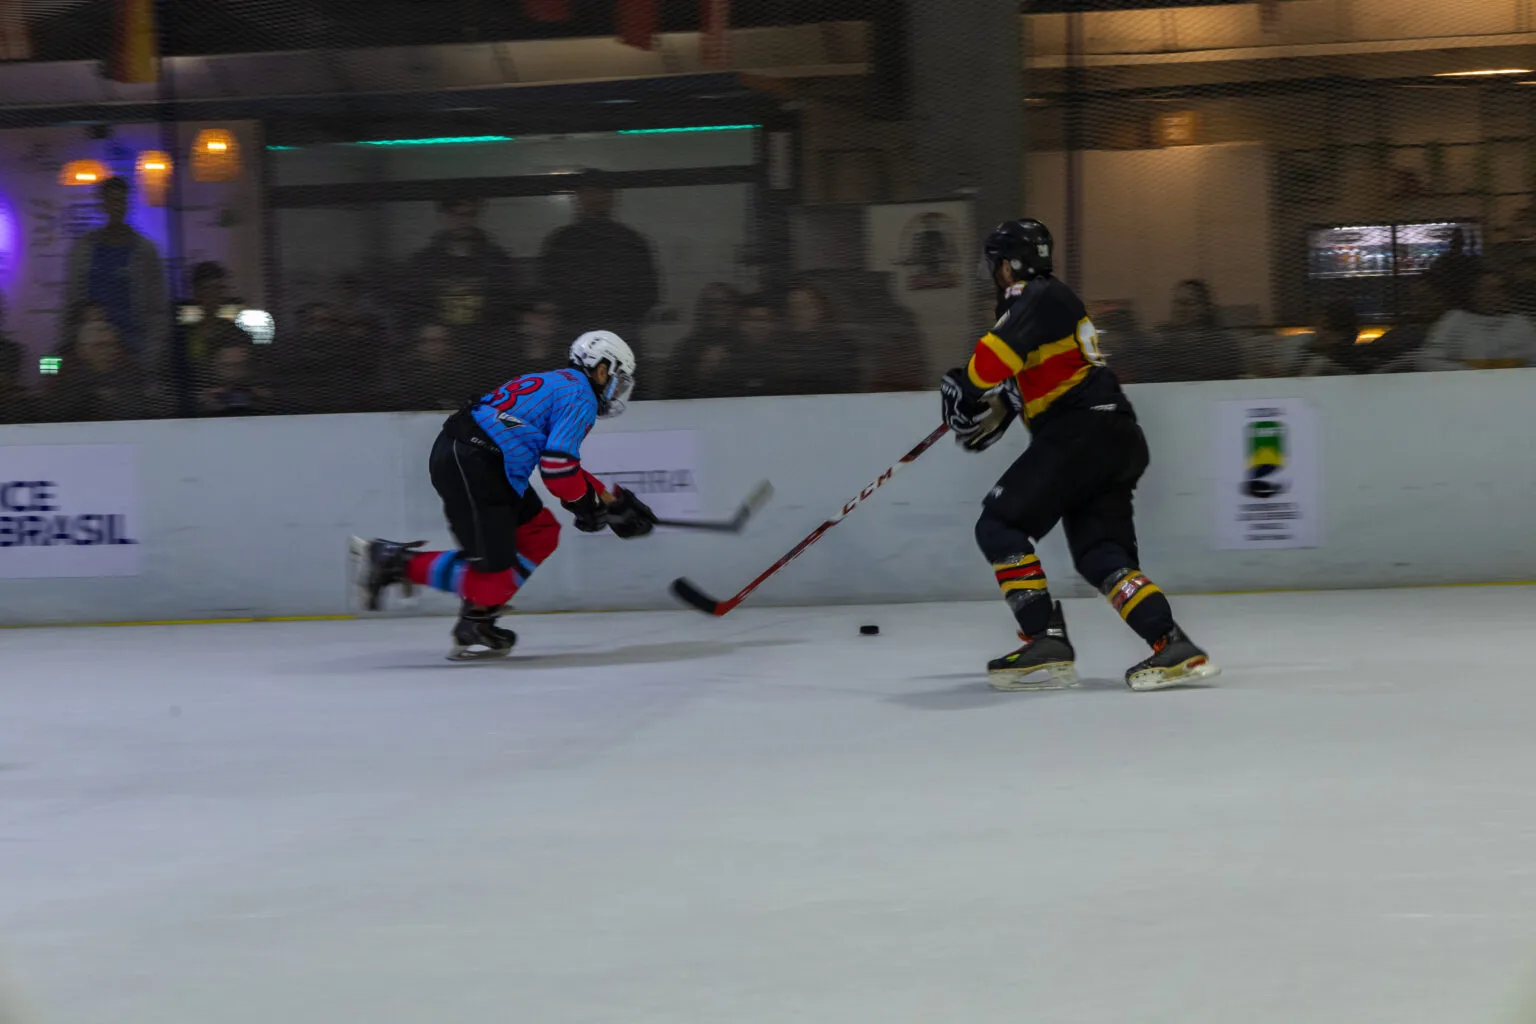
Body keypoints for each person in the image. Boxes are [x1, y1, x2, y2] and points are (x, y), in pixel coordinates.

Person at [939, 219, 1219, 692]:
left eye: (995, 265)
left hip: (1080, 432)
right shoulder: (1050, 304)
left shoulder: (1034, 295)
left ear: (1007, 266)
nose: (995, 274)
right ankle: (1173, 644)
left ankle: (1043, 638)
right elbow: (1029, 376)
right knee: (1100, 554)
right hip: (1112, 436)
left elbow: (991, 361)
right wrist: (1003, 404)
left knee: (999, 525)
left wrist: (963, 387)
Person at [351, 331, 657, 661]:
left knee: (539, 532)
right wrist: (587, 507)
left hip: (480, 458)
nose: (616, 391)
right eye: (617, 381)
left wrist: (610, 502)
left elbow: (561, 463)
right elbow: (558, 469)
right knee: (493, 577)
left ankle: (477, 619)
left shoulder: (560, 382)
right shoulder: (582, 397)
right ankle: (393, 562)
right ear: (601, 369)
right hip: (477, 461)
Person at [60, 176, 168, 371]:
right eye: (111, 200)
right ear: (102, 204)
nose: (116, 207)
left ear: (128, 204)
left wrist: (150, 356)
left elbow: (157, 308)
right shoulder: (84, 249)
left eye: (121, 200)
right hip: (88, 350)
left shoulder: (144, 251)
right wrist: (65, 343)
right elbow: (72, 300)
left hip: (132, 350)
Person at [539, 171, 660, 343]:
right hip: (584, 333)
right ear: (579, 198)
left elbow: (648, 291)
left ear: (612, 198)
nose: (596, 198)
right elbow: (547, 289)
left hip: (610, 333)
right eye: (590, 193)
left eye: (601, 192)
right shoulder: (562, 241)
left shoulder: (630, 240)